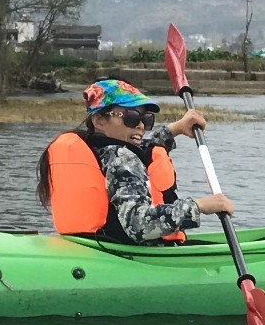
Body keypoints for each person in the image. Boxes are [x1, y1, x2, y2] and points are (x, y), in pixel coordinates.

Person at [36, 78, 233, 244]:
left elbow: (145, 149)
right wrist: (200, 206)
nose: (140, 126)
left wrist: (175, 129)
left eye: (146, 119)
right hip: (128, 254)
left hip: (94, 246)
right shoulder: (123, 159)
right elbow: (139, 225)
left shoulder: (97, 148)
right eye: (130, 117)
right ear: (99, 121)